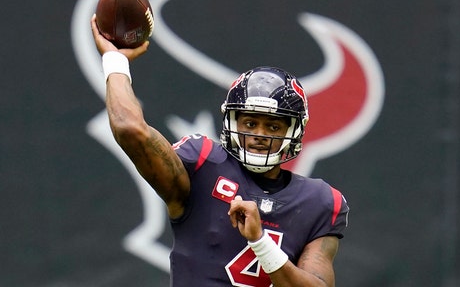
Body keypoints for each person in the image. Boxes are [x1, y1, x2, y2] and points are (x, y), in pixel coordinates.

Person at [91, 14, 349, 287]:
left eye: (273, 127)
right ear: (232, 121)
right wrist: (115, 60)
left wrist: (261, 242)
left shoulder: (320, 201)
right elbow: (130, 130)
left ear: (293, 131)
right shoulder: (202, 164)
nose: (259, 135)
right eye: (250, 123)